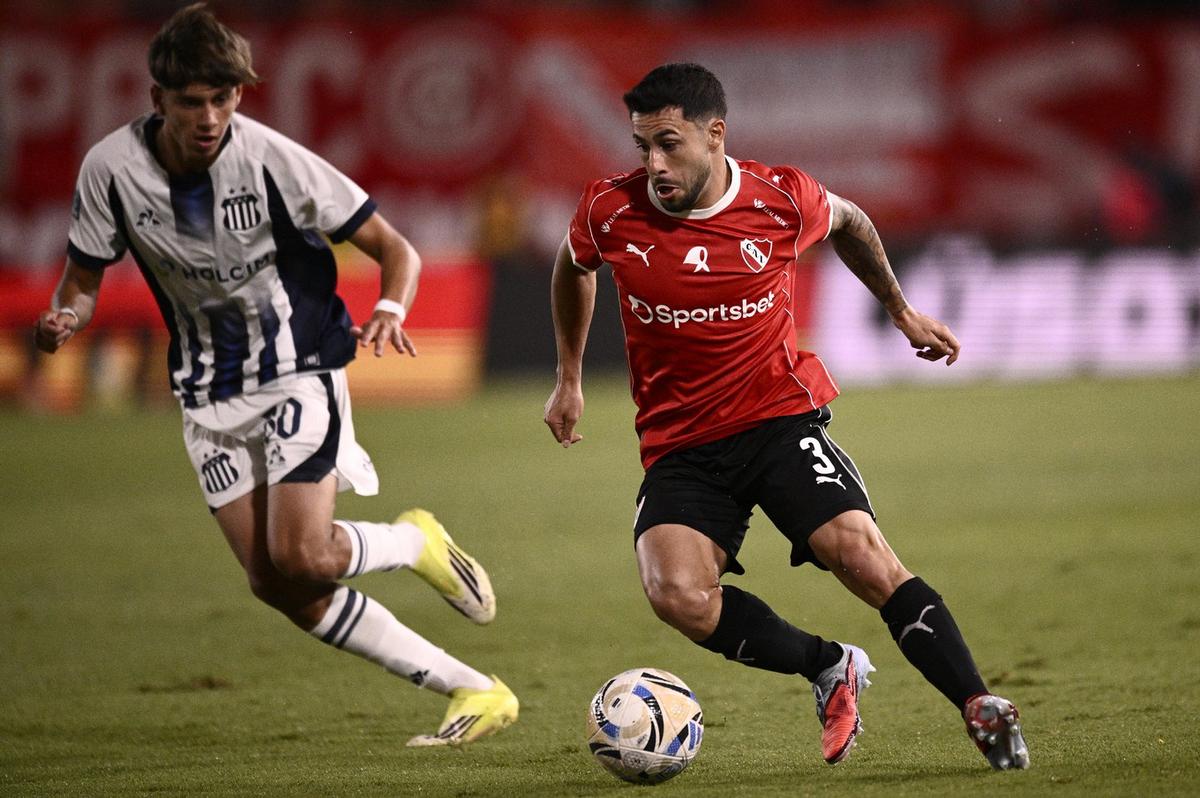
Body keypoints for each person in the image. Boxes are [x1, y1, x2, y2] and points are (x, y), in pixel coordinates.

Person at [34, 3, 517, 748]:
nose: (208, 117)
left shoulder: (270, 159)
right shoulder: (111, 169)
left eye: (222, 100)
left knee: (302, 553)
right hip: (204, 393)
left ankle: (410, 543)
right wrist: (68, 316)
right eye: (191, 101)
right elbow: (82, 279)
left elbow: (398, 248)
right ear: (156, 98)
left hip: (299, 368)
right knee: (277, 584)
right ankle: (475, 690)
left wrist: (390, 305)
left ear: (239, 97)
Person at [544, 62, 1028, 770]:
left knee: (860, 555)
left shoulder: (780, 199)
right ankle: (829, 665)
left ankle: (979, 704)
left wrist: (899, 311)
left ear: (716, 136)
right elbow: (572, 265)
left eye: (669, 144)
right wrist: (568, 377)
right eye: (641, 146)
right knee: (676, 594)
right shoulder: (609, 210)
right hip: (681, 445)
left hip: (778, 421)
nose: (653, 164)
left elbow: (854, 222)